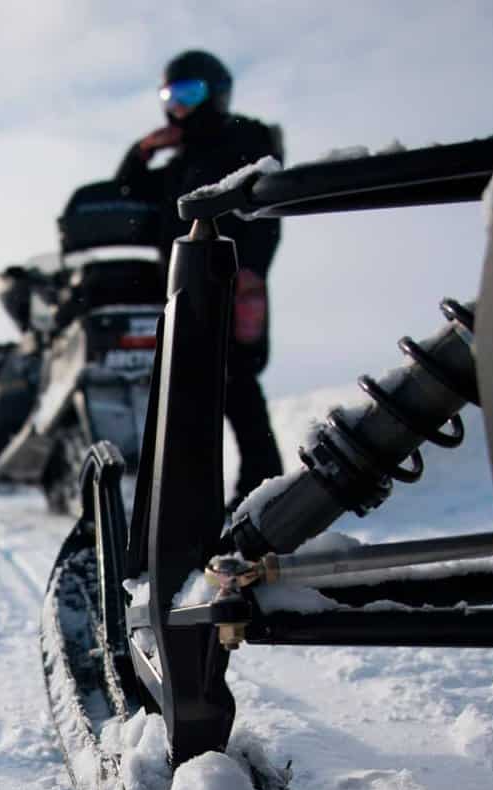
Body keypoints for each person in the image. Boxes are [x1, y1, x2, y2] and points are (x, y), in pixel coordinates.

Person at [115, 50, 284, 508]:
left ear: (216, 92)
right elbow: (125, 191)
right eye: (169, 96)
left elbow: (268, 209)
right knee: (188, 388)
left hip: (232, 280)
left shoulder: (247, 135)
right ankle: (193, 499)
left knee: (237, 385)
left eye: (188, 93)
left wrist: (251, 275)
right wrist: (143, 150)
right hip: (180, 289)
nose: (177, 107)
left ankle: (263, 484)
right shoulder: (177, 161)